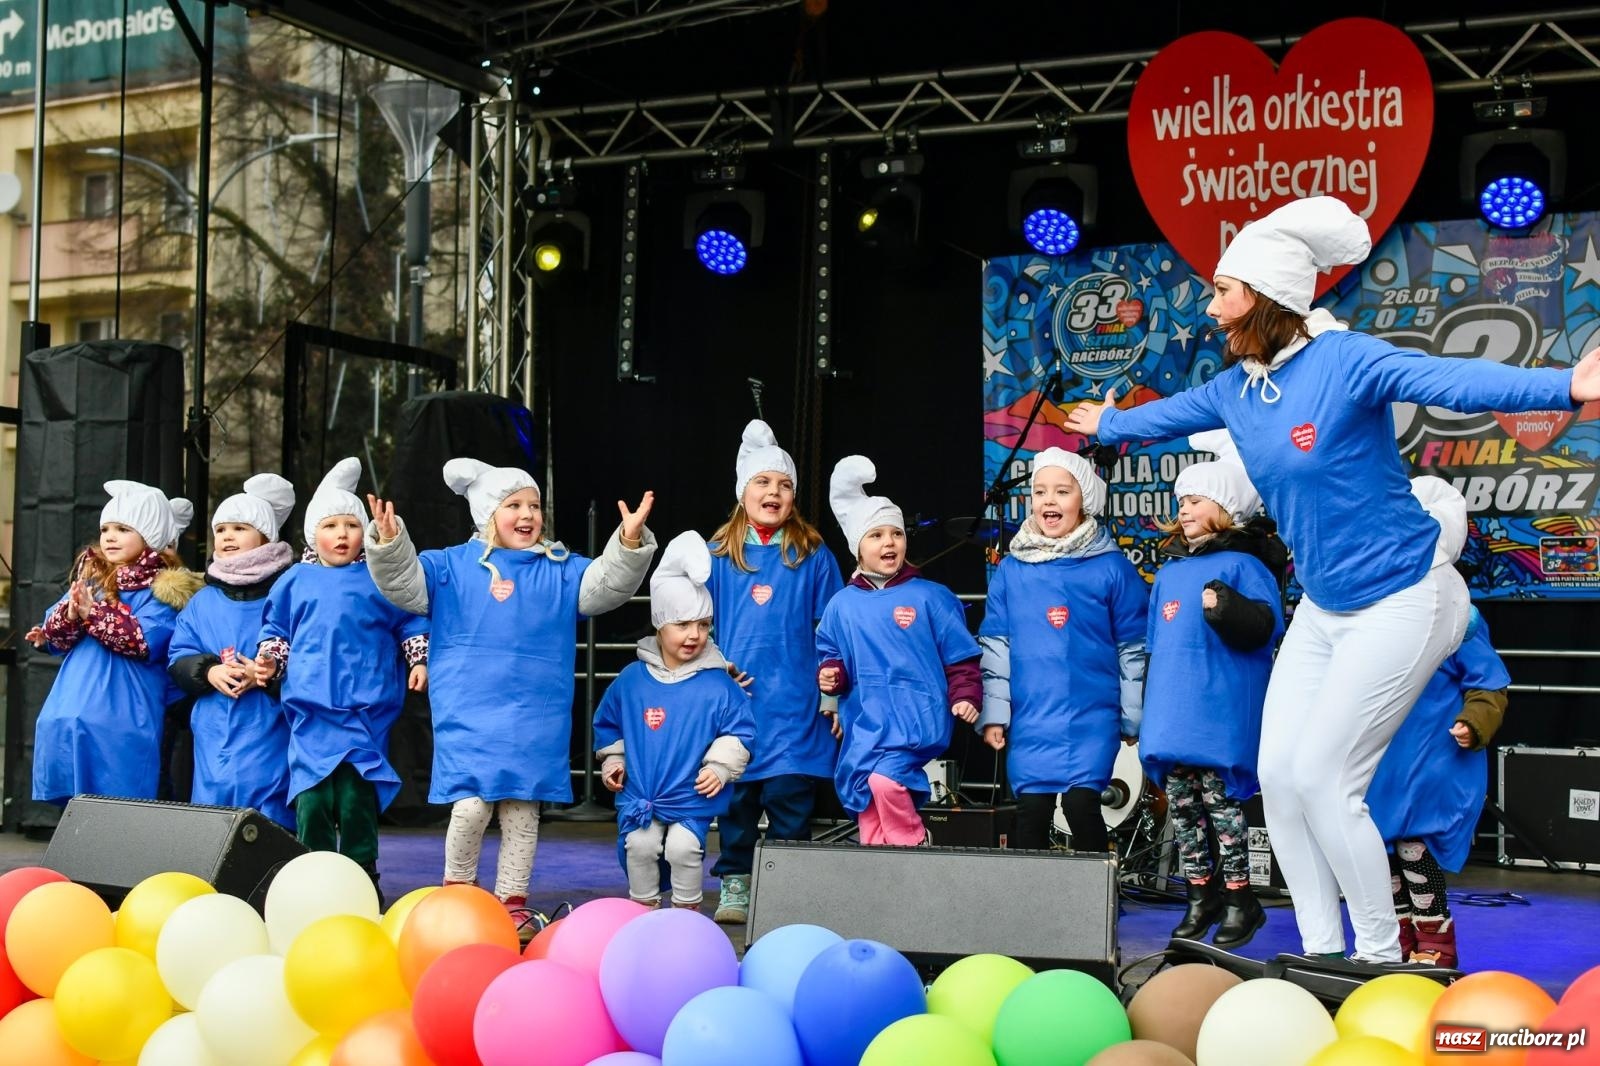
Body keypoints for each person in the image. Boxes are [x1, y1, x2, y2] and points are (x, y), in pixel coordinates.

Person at [1064, 194, 1600, 961]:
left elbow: (1446, 381)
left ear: (1264, 296)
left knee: (1323, 779)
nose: (1209, 305)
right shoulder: (1238, 389)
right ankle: (1319, 951)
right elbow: (1170, 414)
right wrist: (1106, 426)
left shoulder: (1344, 362)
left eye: (1222, 289)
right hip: (1324, 607)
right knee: (1278, 778)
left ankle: (1379, 955)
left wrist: (1564, 388)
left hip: (1404, 596)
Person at [364, 459, 657, 931]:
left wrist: (626, 544)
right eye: (514, 504)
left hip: (534, 716)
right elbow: (404, 584)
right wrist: (391, 543)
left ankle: (512, 905)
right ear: (486, 513)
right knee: (471, 805)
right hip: (470, 710)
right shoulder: (450, 566)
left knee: (523, 810)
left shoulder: (560, 568)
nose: (528, 514)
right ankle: (457, 896)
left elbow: (605, 587)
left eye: (534, 505)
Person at [255, 457, 429, 899]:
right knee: (312, 799)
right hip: (312, 710)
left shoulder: (378, 577)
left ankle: (361, 877)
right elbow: (277, 630)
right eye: (331, 525)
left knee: (356, 799)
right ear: (314, 533)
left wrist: (418, 662)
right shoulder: (295, 579)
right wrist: (270, 661)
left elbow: (408, 621)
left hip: (365, 709)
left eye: (351, 525)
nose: (342, 534)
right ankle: (314, 880)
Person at [1141, 447, 1285, 946]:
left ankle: (1242, 899)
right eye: (1181, 499)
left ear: (1228, 509)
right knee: (1181, 805)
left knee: (1221, 805)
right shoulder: (1169, 573)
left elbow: (1266, 629)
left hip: (1217, 711)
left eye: (1197, 499)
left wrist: (1227, 607)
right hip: (1173, 712)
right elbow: (1155, 647)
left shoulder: (1245, 566)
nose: (1183, 508)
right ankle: (1201, 896)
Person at [1367, 477, 1511, 969]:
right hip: (1381, 759)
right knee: (1378, 850)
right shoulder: (1374, 608)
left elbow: (1488, 681)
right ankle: (1398, 944)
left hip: (1428, 756)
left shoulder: (1458, 613)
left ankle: (1435, 947)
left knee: (1412, 846)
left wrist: (1475, 721)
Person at [976, 447, 1148, 853]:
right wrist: (996, 715)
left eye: (1061, 491)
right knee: (1031, 812)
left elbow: (1133, 648)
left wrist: (1132, 716)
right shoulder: (1012, 569)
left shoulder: (1112, 567)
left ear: (1083, 500)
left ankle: (1095, 905)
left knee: (1081, 804)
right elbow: (996, 648)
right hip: (1033, 718)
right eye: (1040, 492)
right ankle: (1035, 909)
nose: (1049, 500)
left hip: (1091, 716)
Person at [705, 420, 843, 924]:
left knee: (789, 797)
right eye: (763, 482)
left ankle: (789, 887)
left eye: (784, 485)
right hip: (735, 702)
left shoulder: (811, 554)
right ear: (743, 492)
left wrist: (832, 694)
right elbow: (696, 625)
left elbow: (833, 627)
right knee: (737, 799)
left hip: (794, 701)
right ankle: (737, 885)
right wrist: (714, 670)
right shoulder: (718, 554)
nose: (774, 492)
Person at [815, 456, 981, 845]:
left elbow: (961, 656)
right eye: (876, 535)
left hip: (915, 718)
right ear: (857, 547)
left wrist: (966, 695)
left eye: (896, 533)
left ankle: (914, 844)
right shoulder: (841, 604)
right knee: (866, 800)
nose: (889, 542)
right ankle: (884, 876)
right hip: (865, 720)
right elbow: (831, 654)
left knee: (886, 780)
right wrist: (831, 675)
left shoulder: (931, 596)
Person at [594, 531, 756, 909]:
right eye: (682, 625)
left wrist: (719, 766)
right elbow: (610, 724)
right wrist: (615, 762)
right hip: (644, 795)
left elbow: (740, 729)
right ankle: (642, 913)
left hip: (690, 796)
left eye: (703, 625)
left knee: (684, 847)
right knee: (639, 844)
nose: (694, 635)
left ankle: (686, 916)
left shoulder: (718, 683)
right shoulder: (632, 680)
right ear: (659, 625)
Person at [28, 482, 202, 804]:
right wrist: (60, 622)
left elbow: (141, 640)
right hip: (73, 703)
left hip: (123, 707)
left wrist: (91, 613)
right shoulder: (93, 581)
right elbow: (58, 629)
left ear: (149, 536)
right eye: (106, 528)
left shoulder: (163, 590)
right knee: (76, 796)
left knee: (118, 794)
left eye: (123, 529)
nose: (109, 536)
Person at [167, 473, 298, 828]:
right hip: (214, 721)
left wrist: (269, 675)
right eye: (221, 529)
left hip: (270, 721)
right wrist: (209, 670)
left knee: (266, 810)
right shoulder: (203, 601)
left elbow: (313, 653)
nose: (227, 536)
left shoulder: (289, 592)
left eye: (240, 528)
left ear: (266, 537)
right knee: (213, 811)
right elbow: (178, 654)